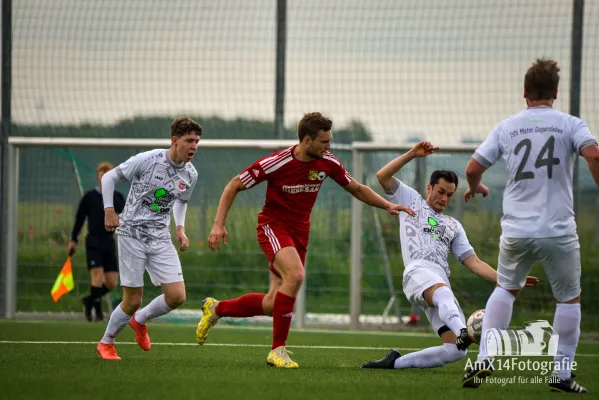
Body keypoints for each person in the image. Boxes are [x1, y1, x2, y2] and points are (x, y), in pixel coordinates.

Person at [195, 112, 415, 368]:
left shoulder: (328, 162)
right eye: (324, 141)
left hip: (300, 233)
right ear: (307, 140)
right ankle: (277, 350)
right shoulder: (277, 162)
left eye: (330, 140)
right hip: (273, 227)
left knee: (271, 304)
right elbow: (234, 184)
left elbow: (356, 188)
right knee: (296, 276)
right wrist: (218, 224)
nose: (329, 146)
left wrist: (387, 204)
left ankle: (216, 309)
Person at [461, 58, 597, 393]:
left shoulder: (508, 126)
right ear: (555, 91)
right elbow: (593, 154)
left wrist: (476, 186)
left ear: (525, 92)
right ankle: (561, 374)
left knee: (505, 289)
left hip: (516, 230)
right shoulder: (570, 124)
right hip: (557, 230)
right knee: (568, 300)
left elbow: (472, 166)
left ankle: (484, 358)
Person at [361, 141, 539, 371]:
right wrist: (412, 154)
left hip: (438, 285)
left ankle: (395, 363)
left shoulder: (453, 226)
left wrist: (507, 280)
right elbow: (383, 176)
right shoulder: (411, 201)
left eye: (450, 195)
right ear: (430, 188)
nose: (444, 199)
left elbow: (474, 263)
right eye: (440, 192)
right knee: (445, 296)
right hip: (417, 273)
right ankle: (463, 331)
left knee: (456, 350)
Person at [96, 117, 201, 360]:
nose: (194, 146)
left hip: (160, 237)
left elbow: (181, 202)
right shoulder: (147, 160)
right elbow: (108, 177)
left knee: (177, 297)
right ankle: (106, 342)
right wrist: (110, 211)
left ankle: (140, 321)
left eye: (197, 141)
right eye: (189, 141)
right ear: (174, 141)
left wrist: (180, 229)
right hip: (131, 234)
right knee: (132, 300)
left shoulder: (191, 174)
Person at [69, 162, 126, 322]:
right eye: (102, 175)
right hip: (93, 241)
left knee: (112, 282)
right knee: (97, 276)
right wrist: (73, 239)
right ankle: (98, 314)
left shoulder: (118, 197)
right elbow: (79, 219)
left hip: (109, 242)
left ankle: (89, 300)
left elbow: (126, 215)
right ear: (98, 177)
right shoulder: (89, 197)